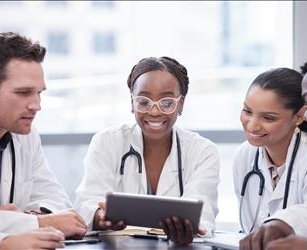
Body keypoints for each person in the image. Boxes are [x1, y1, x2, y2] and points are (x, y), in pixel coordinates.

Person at [74, 56, 220, 245]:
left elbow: (203, 213)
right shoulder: (107, 141)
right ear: (132, 103)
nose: (154, 112)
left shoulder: (202, 151)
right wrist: (97, 216)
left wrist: (189, 229)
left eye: (167, 102)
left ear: (181, 104)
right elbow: (88, 200)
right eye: (144, 102)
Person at [0, 32, 86, 240]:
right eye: (24, 92)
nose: (36, 106)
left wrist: (29, 219)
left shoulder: (26, 135)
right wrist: (34, 223)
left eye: (39, 93)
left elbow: (55, 198)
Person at [239, 47, 307, 250]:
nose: (253, 125)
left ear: (297, 116)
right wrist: (284, 223)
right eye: (247, 110)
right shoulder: (244, 155)